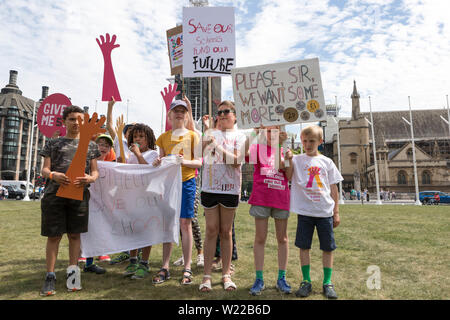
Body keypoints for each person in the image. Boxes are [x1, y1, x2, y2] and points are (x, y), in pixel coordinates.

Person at [39, 105, 101, 296]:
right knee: (54, 236)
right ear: (64, 121)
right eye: (72, 119)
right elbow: (45, 170)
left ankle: (73, 275)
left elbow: (95, 171)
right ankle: (50, 276)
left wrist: (90, 179)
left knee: (75, 235)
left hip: (79, 195)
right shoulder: (53, 143)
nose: (76, 123)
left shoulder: (90, 145)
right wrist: (53, 175)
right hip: (54, 196)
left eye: (80, 120)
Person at [285, 125, 343, 299]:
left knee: (327, 247)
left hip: (324, 211)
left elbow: (333, 189)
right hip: (305, 212)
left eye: (312, 141)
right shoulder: (296, 159)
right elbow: (288, 176)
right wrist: (288, 160)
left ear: (320, 142)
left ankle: (327, 282)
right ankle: (306, 281)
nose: (308, 144)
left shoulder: (327, 162)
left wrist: (336, 211)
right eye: (305, 141)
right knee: (304, 247)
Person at [152, 98, 202, 285]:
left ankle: (187, 267)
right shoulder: (163, 137)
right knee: (168, 224)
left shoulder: (193, 135)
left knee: (185, 224)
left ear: (186, 115)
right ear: (170, 115)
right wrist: (157, 162)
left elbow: (199, 162)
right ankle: (165, 267)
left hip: (187, 182)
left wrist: (184, 162)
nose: (179, 113)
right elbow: (161, 162)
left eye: (182, 111)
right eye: (176, 110)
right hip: (168, 185)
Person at [198, 101, 245, 292]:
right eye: (219, 112)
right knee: (210, 230)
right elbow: (198, 153)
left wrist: (216, 146)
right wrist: (206, 137)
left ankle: (226, 274)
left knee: (226, 231)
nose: (222, 115)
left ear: (235, 115)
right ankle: (206, 276)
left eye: (226, 111)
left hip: (229, 188)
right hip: (209, 188)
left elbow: (236, 162)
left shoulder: (241, 136)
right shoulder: (211, 133)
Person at [247, 125, 292, 296]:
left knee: (283, 238)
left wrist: (286, 155)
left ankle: (282, 277)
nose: (272, 133)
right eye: (268, 130)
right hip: (261, 198)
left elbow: (288, 175)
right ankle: (259, 278)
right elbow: (245, 157)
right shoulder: (257, 148)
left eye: (276, 130)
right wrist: (254, 133)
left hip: (281, 198)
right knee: (260, 238)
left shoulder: (285, 150)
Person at [121, 123, 159, 280]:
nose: (138, 139)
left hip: (147, 199)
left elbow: (148, 171)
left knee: (145, 230)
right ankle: (133, 260)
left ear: (148, 139)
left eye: (141, 137)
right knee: (132, 229)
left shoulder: (153, 154)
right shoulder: (130, 157)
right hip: (132, 198)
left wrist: (138, 154)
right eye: (135, 137)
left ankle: (144, 262)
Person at [80, 134, 116, 274]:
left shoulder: (110, 166)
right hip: (86, 201)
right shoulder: (86, 162)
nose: (103, 147)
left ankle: (90, 262)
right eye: (100, 144)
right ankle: (84, 259)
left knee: (98, 230)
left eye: (107, 146)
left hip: (102, 204)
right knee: (86, 231)